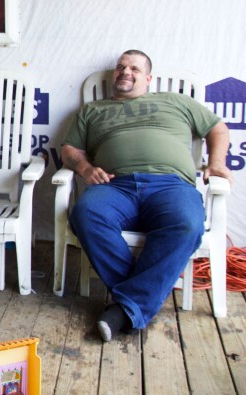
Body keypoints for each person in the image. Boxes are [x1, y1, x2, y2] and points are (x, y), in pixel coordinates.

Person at [62, 50, 233, 342]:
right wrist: (85, 167)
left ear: (148, 78)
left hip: (171, 186)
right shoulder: (92, 110)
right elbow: (70, 149)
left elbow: (217, 128)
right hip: (115, 185)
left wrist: (216, 162)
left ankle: (123, 308)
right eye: (120, 67)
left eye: (134, 68)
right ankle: (137, 302)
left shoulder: (176, 102)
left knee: (186, 225)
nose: (125, 71)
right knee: (86, 213)